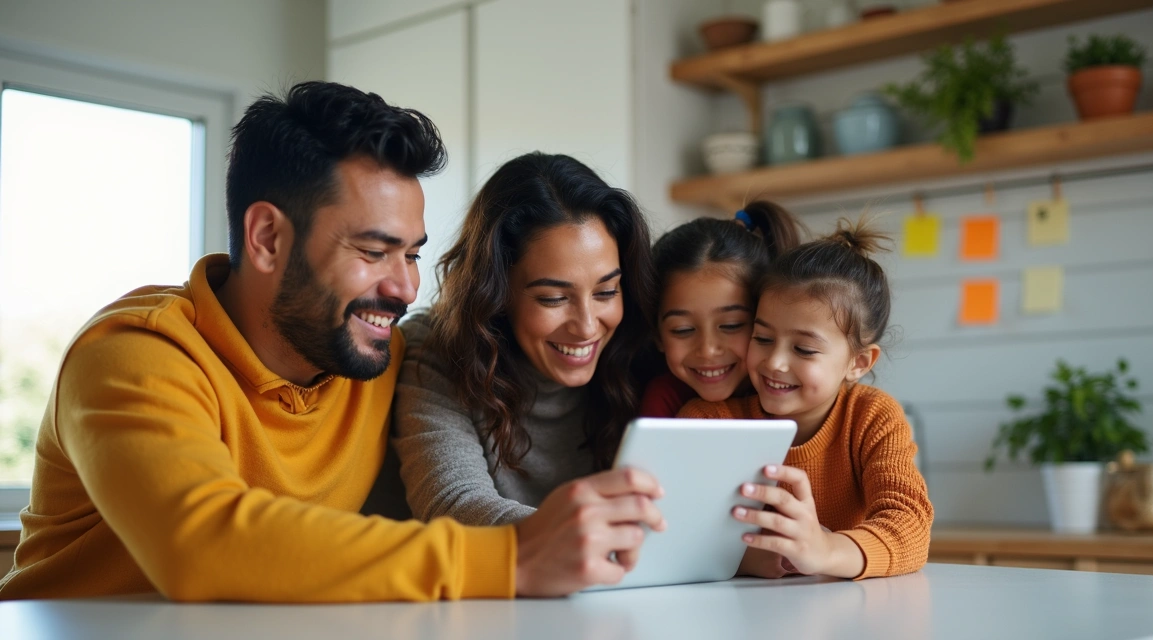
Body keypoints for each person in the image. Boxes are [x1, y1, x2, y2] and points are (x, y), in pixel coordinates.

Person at [0, 82, 663, 602]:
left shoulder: (381, 358)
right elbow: (201, 548)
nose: (405, 287)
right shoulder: (136, 356)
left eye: (411, 255)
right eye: (374, 251)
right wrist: (513, 557)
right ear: (267, 239)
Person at [394, 152, 657, 526]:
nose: (586, 326)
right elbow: (453, 504)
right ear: (496, 293)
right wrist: (593, 538)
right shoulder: (438, 349)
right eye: (553, 298)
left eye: (606, 292)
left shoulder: (642, 346)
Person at [679, 218, 933, 580]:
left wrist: (825, 552)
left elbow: (910, 525)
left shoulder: (872, 416)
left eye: (804, 348)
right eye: (763, 338)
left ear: (858, 363)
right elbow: (675, 529)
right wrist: (748, 557)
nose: (775, 363)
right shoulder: (708, 422)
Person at [639, 201, 803, 417]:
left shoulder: (803, 389)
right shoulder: (664, 399)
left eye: (731, 325)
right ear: (657, 334)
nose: (707, 350)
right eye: (682, 329)